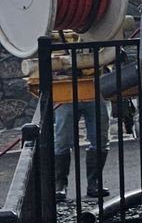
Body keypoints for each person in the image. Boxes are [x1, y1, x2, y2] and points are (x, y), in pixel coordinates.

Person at [22, 30, 112, 202]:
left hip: (97, 86)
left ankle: (94, 183)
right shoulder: (53, 30)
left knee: (100, 138)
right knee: (62, 139)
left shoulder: (96, 29)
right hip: (65, 89)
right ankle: (59, 185)